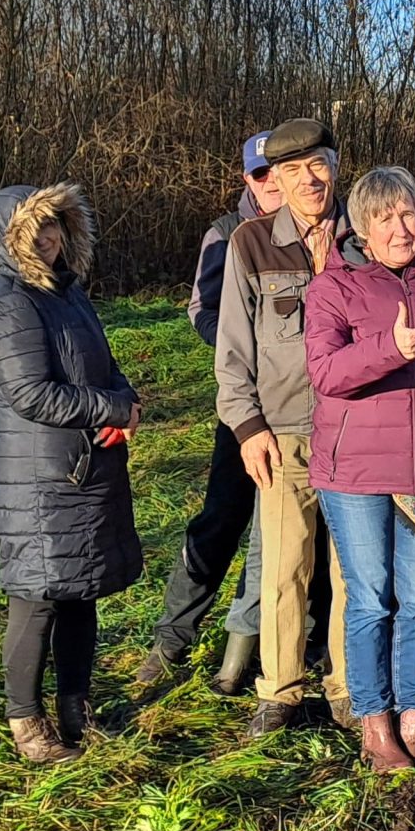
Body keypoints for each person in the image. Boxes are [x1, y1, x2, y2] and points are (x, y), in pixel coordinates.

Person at [304, 167, 415, 773]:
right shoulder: (332, 287)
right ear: (362, 229)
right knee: (371, 598)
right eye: (385, 218)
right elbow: (325, 374)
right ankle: (375, 725)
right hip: (354, 474)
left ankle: (413, 719)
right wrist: (389, 349)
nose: (400, 228)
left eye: (408, 214)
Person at [0, 183, 143, 764]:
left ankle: (77, 709)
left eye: (54, 226)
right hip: (38, 478)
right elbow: (30, 394)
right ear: (8, 238)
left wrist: (126, 400)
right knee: (37, 598)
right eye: (34, 229)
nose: (47, 238)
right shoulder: (9, 304)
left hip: (85, 468)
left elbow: (106, 366)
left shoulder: (67, 293)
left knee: (80, 590)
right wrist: (111, 408)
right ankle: (26, 723)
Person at [216, 118, 354, 736]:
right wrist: (248, 427)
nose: (308, 180)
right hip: (284, 433)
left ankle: (349, 687)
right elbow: (232, 348)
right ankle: (280, 692)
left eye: (317, 165)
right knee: (282, 570)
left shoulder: (365, 234)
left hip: (356, 430)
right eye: (293, 171)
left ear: (335, 167)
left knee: (354, 572)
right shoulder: (251, 243)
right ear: (275, 179)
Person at [136, 130, 287, 696]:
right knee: (223, 519)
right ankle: (170, 640)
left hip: (305, 406)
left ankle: (282, 645)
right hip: (245, 402)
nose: (272, 183)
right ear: (247, 179)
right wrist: (244, 345)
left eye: (278, 170)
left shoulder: (321, 229)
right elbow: (202, 310)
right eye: (261, 174)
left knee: (297, 533)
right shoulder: (226, 234)